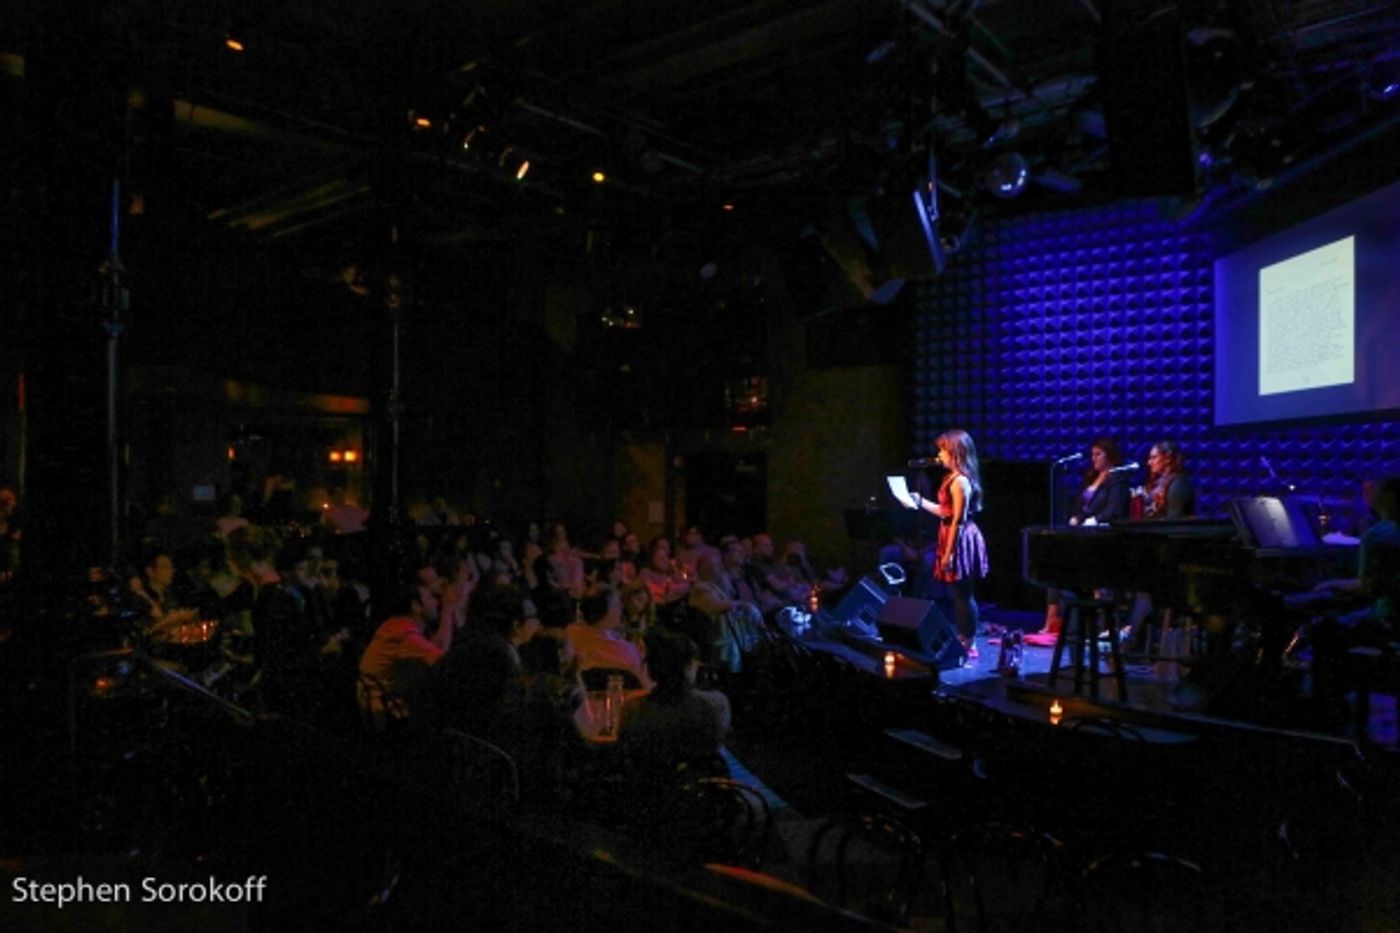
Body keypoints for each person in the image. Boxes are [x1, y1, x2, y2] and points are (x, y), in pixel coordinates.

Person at [909, 429, 989, 659]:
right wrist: (921, 502)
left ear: (955, 453)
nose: (939, 454)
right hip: (950, 533)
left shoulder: (961, 482)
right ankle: (963, 635)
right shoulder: (951, 478)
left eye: (943, 450)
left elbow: (958, 521)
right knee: (957, 593)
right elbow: (945, 512)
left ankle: (969, 639)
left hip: (960, 538)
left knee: (964, 593)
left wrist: (950, 553)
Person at [1068, 436, 1131, 526]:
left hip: (1103, 528)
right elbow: (1082, 504)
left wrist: (1095, 520)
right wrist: (1076, 517)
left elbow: (1113, 509)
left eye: (1098, 454)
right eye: (1092, 455)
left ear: (1109, 456)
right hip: (1084, 526)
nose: (1094, 458)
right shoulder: (1090, 477)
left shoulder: (1118, 479)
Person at [1142, 440, 1194, 519]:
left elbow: (1173, 522)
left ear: (1167, 458)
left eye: (1154, 457)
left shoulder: (1178, 484)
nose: (1149, 462)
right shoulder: (1157, 483)